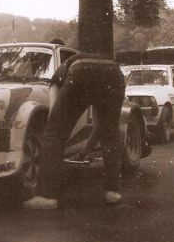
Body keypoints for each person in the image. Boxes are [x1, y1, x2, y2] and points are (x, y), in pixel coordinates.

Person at [23, 52, 126, 210]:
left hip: (81, 71)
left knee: (53, 134)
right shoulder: (86, 60)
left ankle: (46, 196)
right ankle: (112, 191)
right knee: (111, 132)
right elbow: (101, 125)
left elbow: (53, 118)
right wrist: (87, 148)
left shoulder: (57, 76)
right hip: (114, 72)